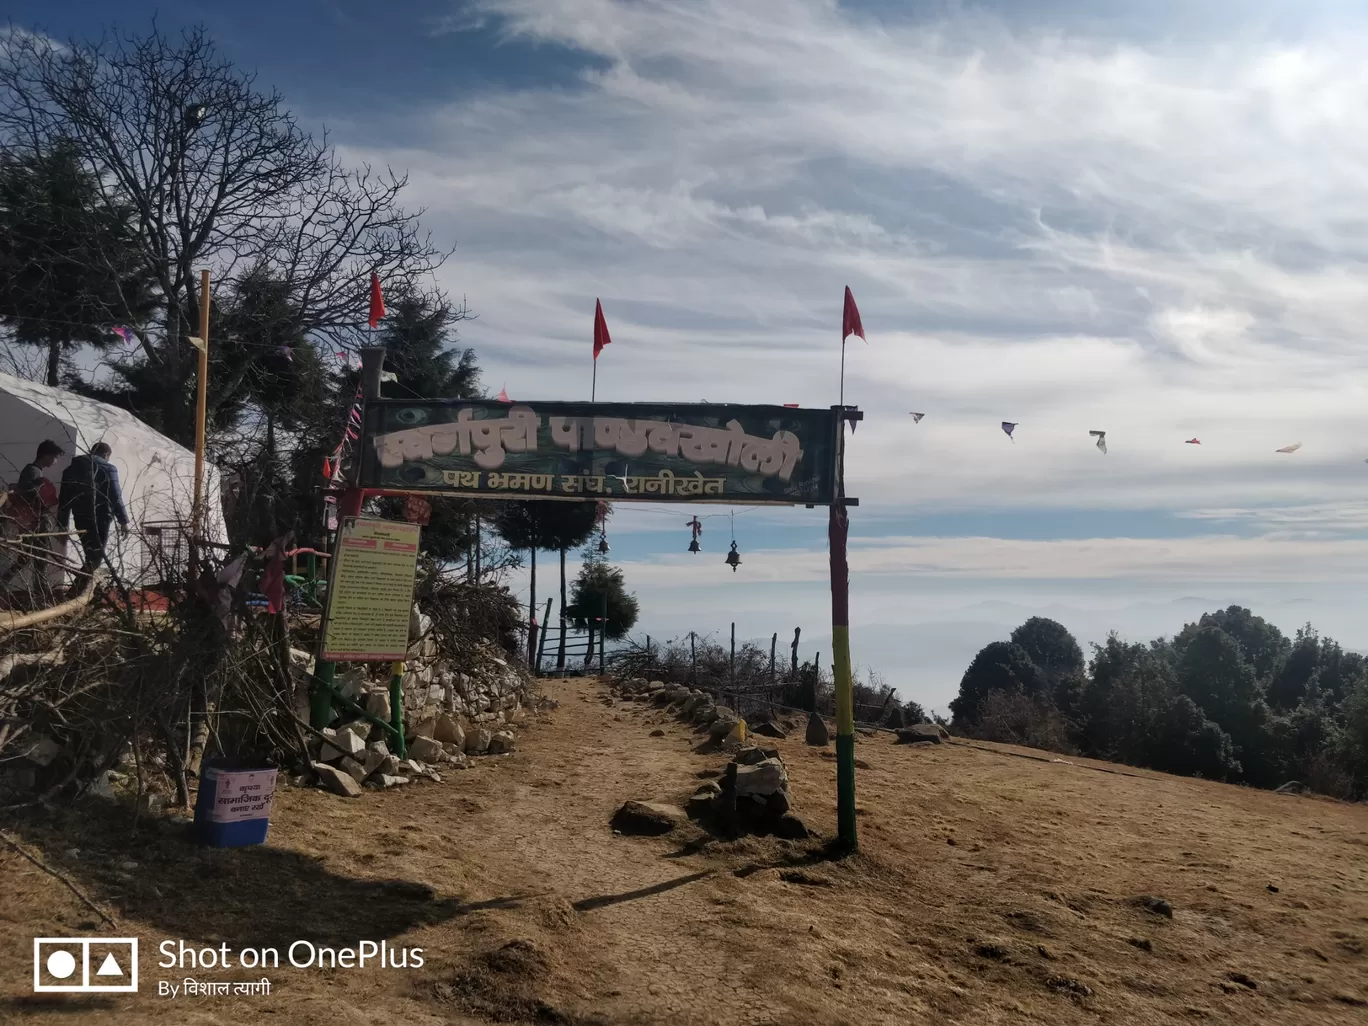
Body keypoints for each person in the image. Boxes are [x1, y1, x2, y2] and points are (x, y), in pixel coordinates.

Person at [58, 441, 129, 578]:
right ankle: (77, 593)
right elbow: (115, 495)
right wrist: (123, 521)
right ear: (106, 454)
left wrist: (62, 525)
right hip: (101, 518)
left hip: (80, 517)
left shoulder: (71, 469)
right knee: (95, 557)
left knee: (90, 555)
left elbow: (64, 499)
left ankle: (85, 592)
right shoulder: (108, 469)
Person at [10, 439, 64, 532]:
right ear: (46, 456)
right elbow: (28, 495)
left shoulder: (36, 471)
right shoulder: (32, 471)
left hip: (32, 520)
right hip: (31, 522)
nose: (56, 461)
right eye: (54, 457)